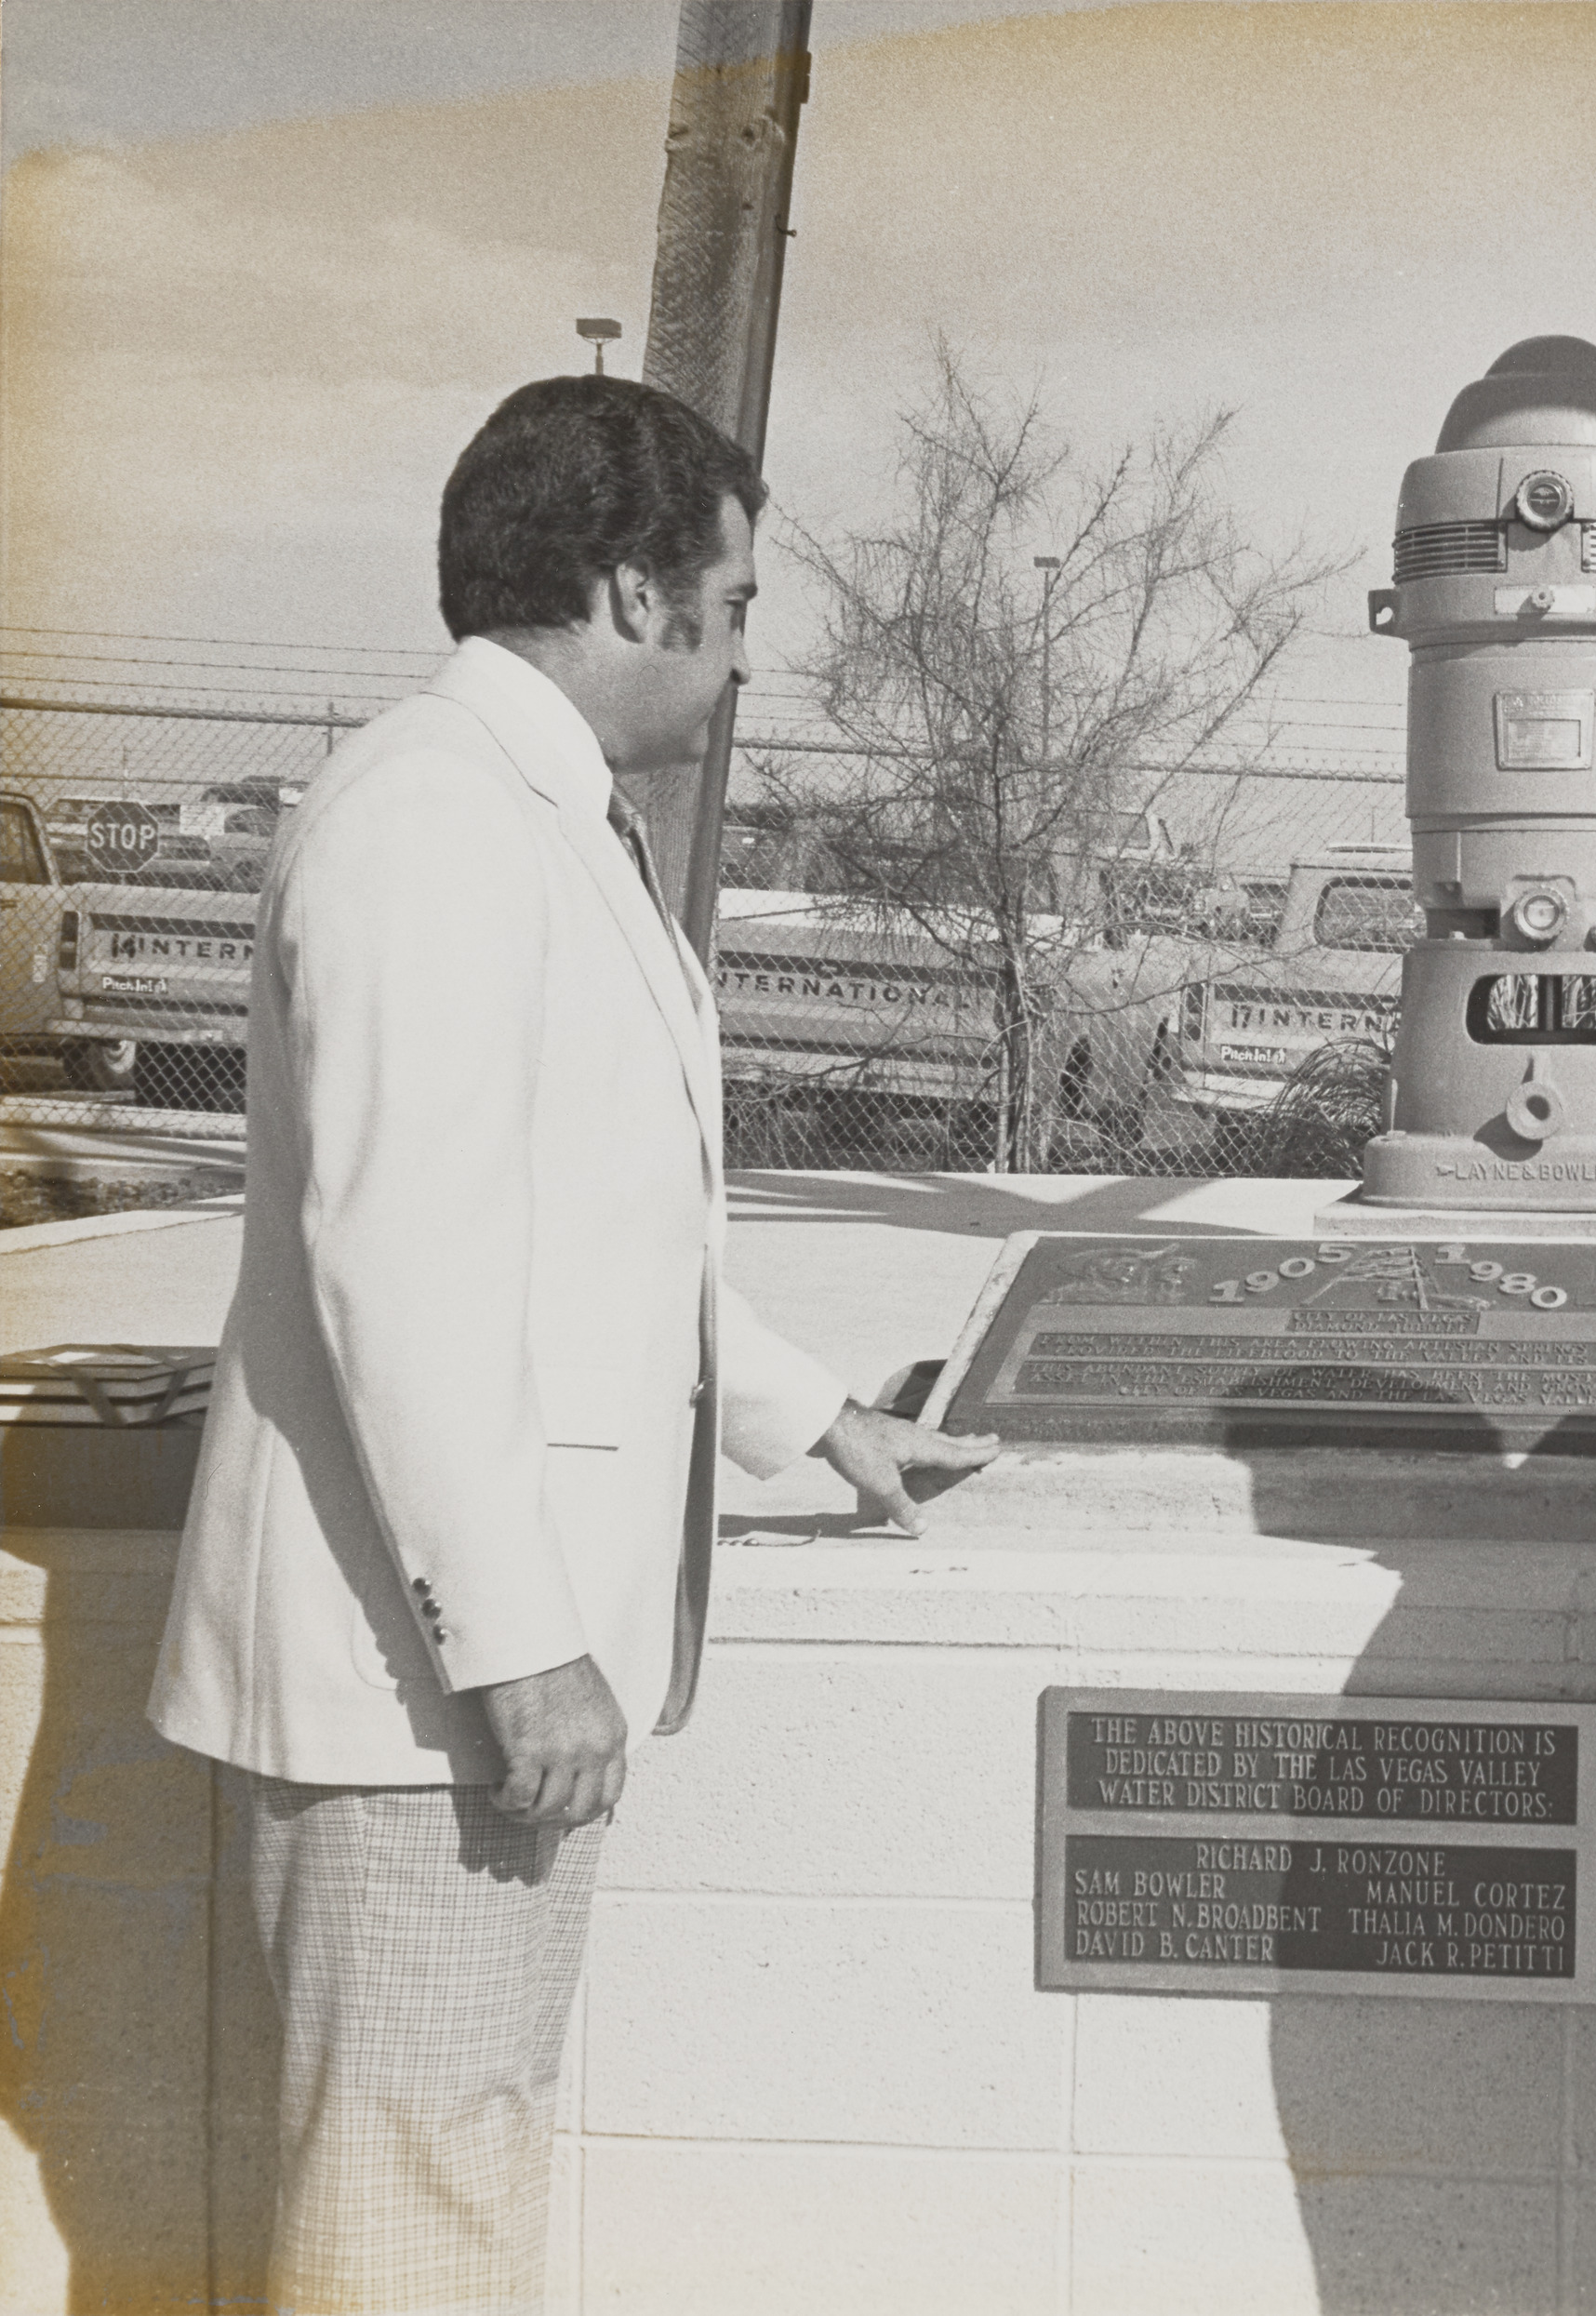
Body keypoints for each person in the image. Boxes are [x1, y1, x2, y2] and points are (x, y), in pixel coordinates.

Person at [147, 376, 997, 2316]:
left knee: (444, 2171)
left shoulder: (525, 817)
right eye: (740, 598)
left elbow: (594, 1235)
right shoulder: (436, 822)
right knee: (409, 2208)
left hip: (446, 1682)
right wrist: (520, 1648)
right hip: (422, 1692)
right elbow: (408, 1260)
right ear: (633, 589)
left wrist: (819, 1423)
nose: (744, 647)